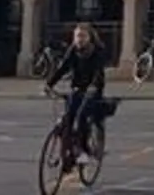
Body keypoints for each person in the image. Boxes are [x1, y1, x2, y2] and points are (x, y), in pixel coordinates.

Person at [43, 23, 107, 168]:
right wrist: (49, 84)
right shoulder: (73, 51)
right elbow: (63, 68)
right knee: (67, 119)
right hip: (77, 89)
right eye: (77, 36)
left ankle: (84, 150)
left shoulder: (97, 51)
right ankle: (66, 153)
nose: (79, 39)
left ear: (90, 37)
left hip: (93, 91)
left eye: (83, 36)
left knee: (82, 116)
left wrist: (94, 86)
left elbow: (99, 73)